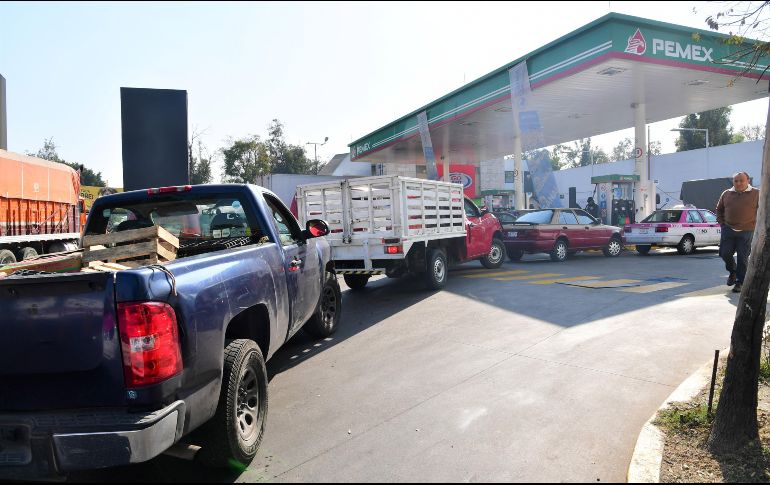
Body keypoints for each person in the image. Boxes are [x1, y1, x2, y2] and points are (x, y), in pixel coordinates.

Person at [716, 172, 760, 293]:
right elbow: (719, 209)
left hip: (747, 231)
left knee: (742, 258)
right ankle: (733, 272)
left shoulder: (757, 193)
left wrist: (757, 225)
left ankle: (740, 282)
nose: (738, 183)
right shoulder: (726, 193)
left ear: (748, 181)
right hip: (728, 230)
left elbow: (763, 209)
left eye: (741, 180)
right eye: (736, 181)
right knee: (725, 254)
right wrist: (722, 224)